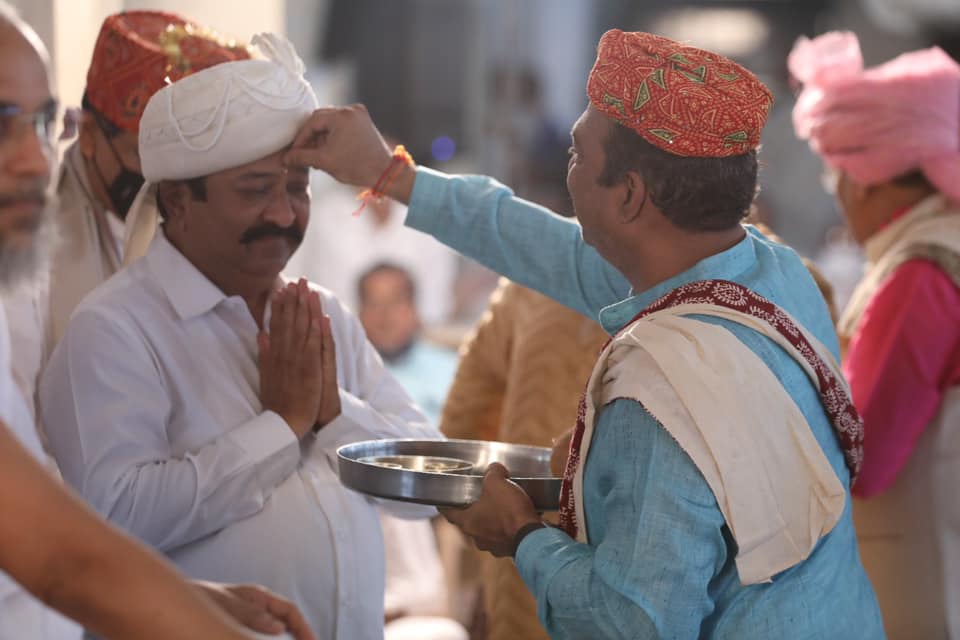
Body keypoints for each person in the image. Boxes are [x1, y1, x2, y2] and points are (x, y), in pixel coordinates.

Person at [284, 29, 885, 638]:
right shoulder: (774, 275)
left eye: (576, 156)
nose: (567, 177)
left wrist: (521, 536)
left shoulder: (659, 389)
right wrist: (390, 174)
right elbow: (543, 245)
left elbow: (636, 625)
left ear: (629, 196)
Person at [37, 31, 438, 640]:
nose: (284, 214)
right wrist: (281, 426)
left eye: (298, 188)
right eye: (255, 191)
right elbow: (113, 520)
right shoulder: (116, 329)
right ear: (179, 201)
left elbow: (429, 489)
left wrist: (333, 413)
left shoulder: (321, 314)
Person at [0, 5, 313, 639]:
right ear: (92, 137)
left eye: (42, 125)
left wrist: (185, 598)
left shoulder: (278, 292)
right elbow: (64, 548)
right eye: (2, 125)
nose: (34, 160)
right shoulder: (36, 257)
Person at [791, 31, 960, 638]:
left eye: (833, 177)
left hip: (925, 596)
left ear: (863, 178)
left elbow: (861, 456)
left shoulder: (920, 277)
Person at [3, 10, 249, 422]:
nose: (164, 180)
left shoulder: (207, 231)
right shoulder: (24, 241)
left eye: (186, 165)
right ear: (90, 136)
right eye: (143, 155)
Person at [438, 277, 607, 640]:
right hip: (646, 579)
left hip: (522, 561)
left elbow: (461, 430)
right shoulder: (718, 283)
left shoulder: (531, 282)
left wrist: (491, 533)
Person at [357, 262, 458, 423]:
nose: (385, 315)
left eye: (395, 302)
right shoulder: (342, 376)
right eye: (374, 303)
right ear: (359, 313)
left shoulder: (454, 371)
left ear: (414, 309)